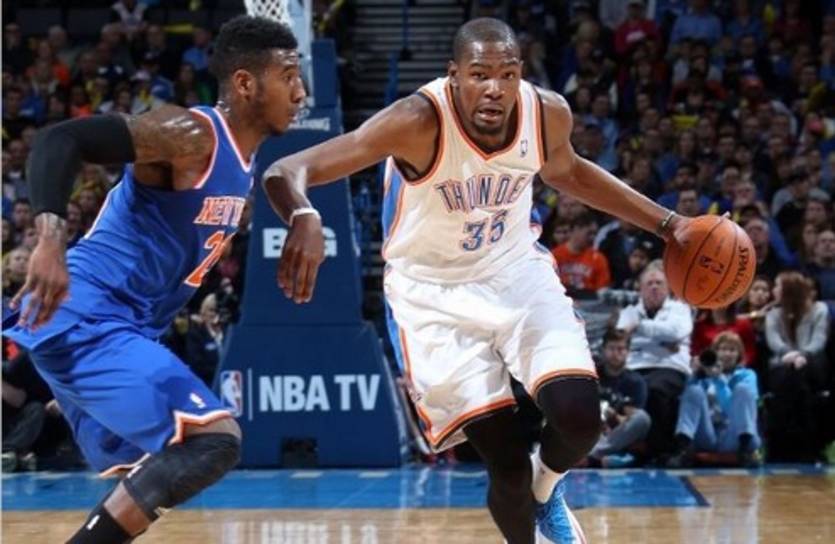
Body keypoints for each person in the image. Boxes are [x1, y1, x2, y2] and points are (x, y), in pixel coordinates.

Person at [262, 17, 694, 544]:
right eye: (479, 74)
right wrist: (304, 214)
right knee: (506, 470)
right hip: (432, 295)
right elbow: (286, 170)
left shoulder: (546, 113)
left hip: (514, 272)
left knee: (580, 420)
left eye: (507, 74)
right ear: (454, 76)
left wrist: (669, 224)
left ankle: (547, 490)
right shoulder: (417, 120)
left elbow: (570, 172)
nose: (495, 88)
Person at [2, 16, 310, 543]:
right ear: (245, 83)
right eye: (288, 76)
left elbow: (296, 172)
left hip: (123, 327)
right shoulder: (189, 135)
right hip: (89, 312)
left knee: (163, 468)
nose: (300, 91)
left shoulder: (247, 162)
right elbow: (60, 138)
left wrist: (304, 215)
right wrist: (50, 237)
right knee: (213, 439)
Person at [615, 261, 693, 457]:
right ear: (640, 289)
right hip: (634, 367)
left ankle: (659, 450)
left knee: (653, 389)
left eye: (659, 283)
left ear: (668, 288)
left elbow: (676, 331)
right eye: (649, 284)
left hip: (670, 367)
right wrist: (662, 341)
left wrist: (639, 328)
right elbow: (621, 337)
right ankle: (625, 448)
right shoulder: (628, 312)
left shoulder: (680, 309)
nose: (654, 287)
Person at [667, 331, 761, 468]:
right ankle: (682, 448)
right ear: (715, 352)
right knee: (693, 390)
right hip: (708, 434)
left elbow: (731, 411)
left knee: (743, 389)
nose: (727, 354)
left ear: (739, 354)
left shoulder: (747, 375)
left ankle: (745, 450)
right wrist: (695, 374)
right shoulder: (705, 374)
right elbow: (689, 403)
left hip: (734, 435)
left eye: (732, 350)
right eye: (722, 349)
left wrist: (719, 381)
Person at [586, 328, 651, 468]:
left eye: (620, 349)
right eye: (611, 348)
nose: (616, 353)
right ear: (603, 350)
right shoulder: (590, 376)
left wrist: (613, 415)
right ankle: (601, 458)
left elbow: (632, 420)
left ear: (628, 352)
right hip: (591, 429)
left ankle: (591, 456)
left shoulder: (636, 382)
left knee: (642, 418)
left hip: (617, 434)